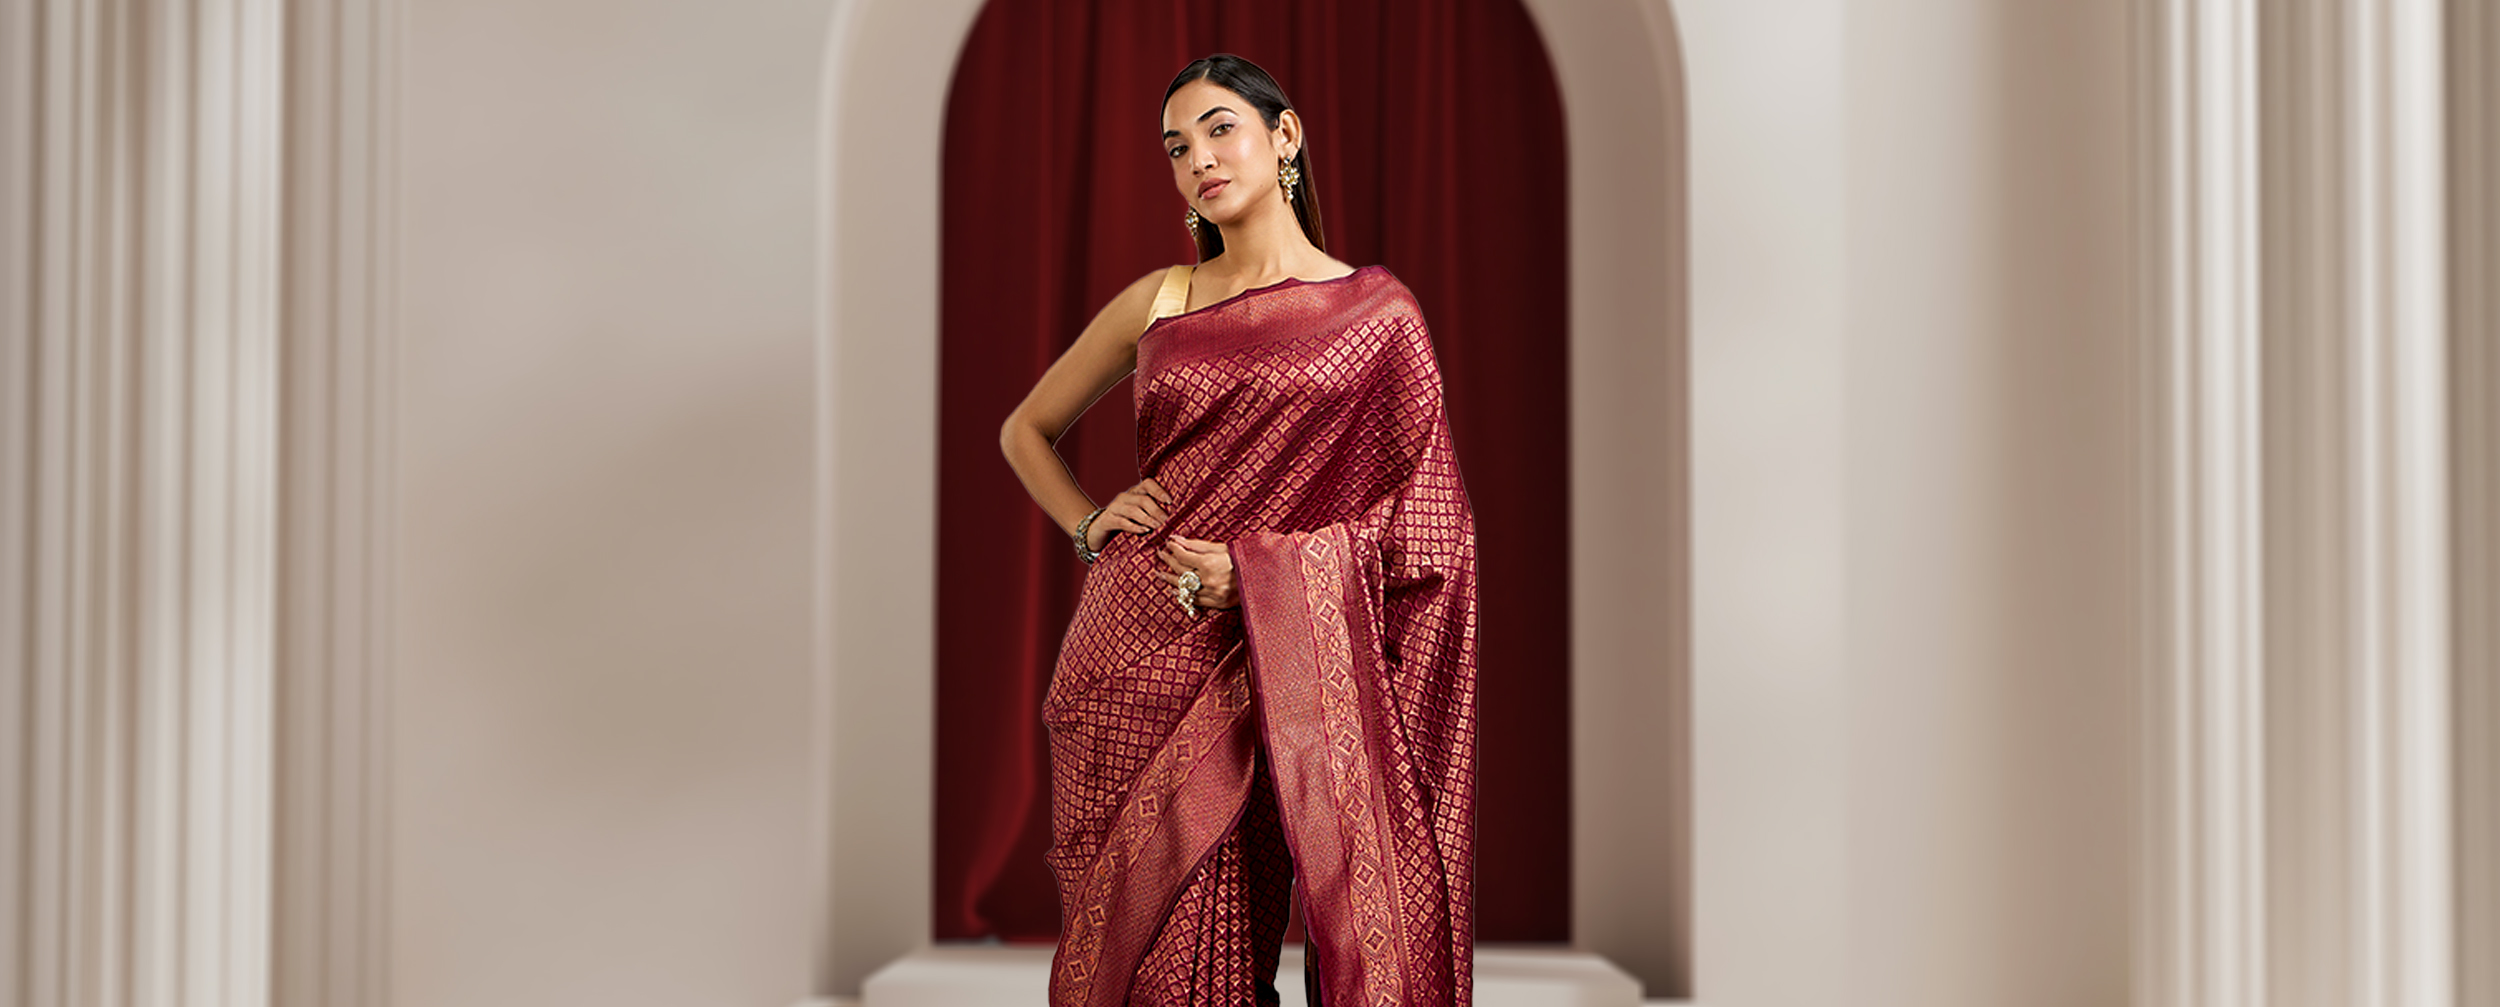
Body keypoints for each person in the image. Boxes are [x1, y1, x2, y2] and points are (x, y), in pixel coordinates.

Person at [998, 53, 1479, 1007]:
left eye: (1220, 129)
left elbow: (1431, 533)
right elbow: (1026, 429)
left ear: (1285, 136)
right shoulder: (1161, 298)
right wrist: (1093, 523)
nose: (1200, 161)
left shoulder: (1378, 316)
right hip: (1129, 651)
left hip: (1266, 657)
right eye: (1179, 147)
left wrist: (1261, 576)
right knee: (1131, 956)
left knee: (1215, 950)